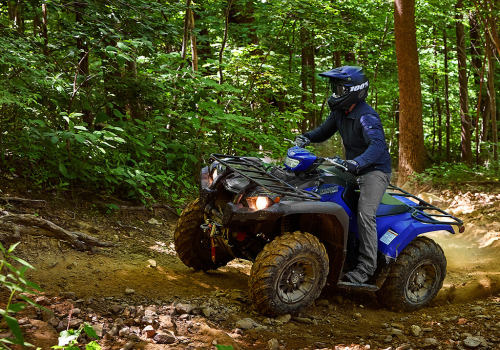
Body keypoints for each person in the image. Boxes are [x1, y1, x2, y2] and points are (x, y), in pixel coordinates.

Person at [295, 66, 392, 284]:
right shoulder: (340, 111)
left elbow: (377, 145)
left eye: (338, 89)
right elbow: (323, 132)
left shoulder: (367, 117)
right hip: (350, 167)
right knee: (320, 187)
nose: (334, 93)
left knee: (365, 213)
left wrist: (357, 163)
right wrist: (305, 138)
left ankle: (366, 268)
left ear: (354, 90)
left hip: (374, 171)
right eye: (334, 89)